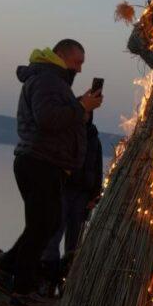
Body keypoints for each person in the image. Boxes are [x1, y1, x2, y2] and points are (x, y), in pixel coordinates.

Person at [0, 40, 102, 306]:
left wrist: (79, 107)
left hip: (44, 163)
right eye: (78, 61)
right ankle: (19, 286)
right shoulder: (48, 80)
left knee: (43, 224)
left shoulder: (54, 81)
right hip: (39, 162)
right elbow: (48, 119)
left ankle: (8, 275)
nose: (80, 69)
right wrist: (81, 106)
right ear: (61, 56)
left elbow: (58, 119)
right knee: (43, 225)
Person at [39, 116, 104, 295]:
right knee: (54, 235)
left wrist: (94, 195)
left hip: (83, 194)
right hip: (63, 189)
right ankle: (48, 279)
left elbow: (97, 168)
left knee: (74, 241)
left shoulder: (93, 139)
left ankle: (66, 282)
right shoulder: (66, 133)